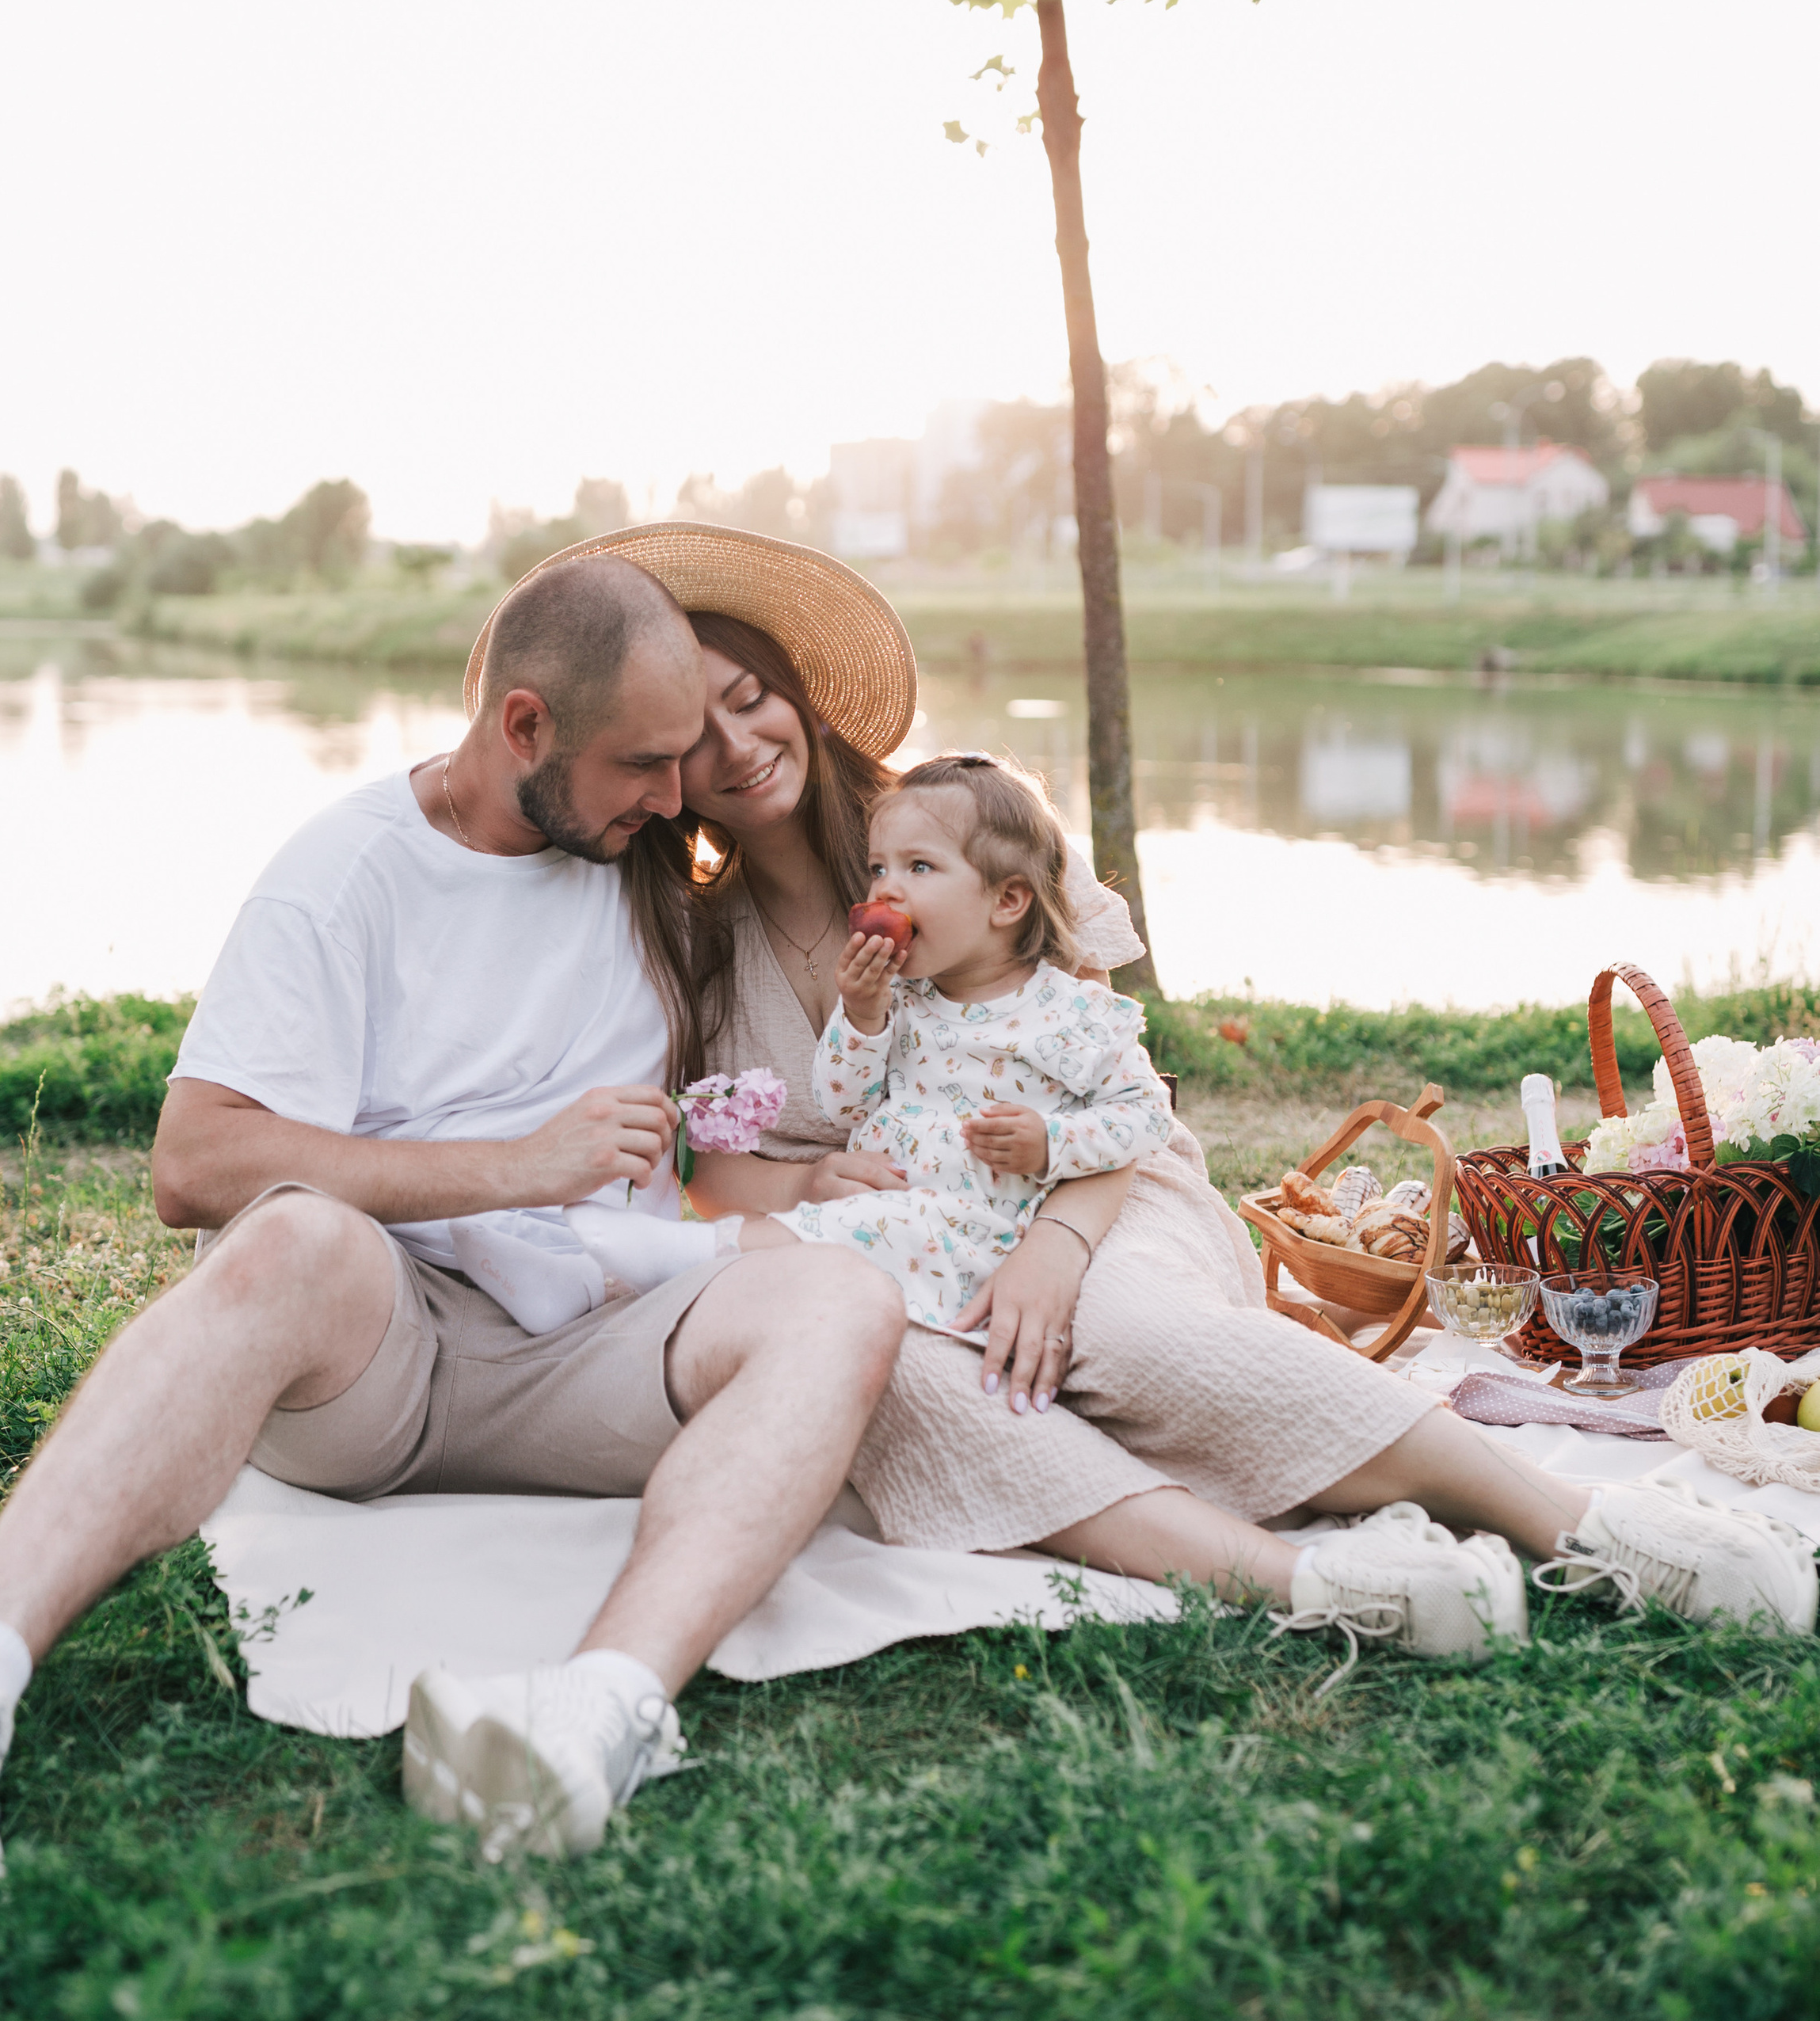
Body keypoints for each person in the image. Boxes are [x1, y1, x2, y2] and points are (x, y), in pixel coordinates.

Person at [0, 550, 908, 1922]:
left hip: (596, 1345)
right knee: (288, 1242)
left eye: (682, 758)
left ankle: (598, 1712)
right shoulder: (345, 876)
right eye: (642, 762)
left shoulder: (645, 866)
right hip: (379, 1358)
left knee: (842, 1303)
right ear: (524, 728)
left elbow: (868, 893)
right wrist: (510, 1167)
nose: (673, 794)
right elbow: (194, 1160)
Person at [566, 520, 1817, 1655]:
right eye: (694, 731)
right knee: (909, 1373)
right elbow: (698, 1162)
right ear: (662, 763)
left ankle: (1575, 1523)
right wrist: (805, 1172)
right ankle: (1304, 1586)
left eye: (751, 699)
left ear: (796, 693)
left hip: (1101, 1183)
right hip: (900, 1240)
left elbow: (1120, 1076)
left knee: (1118, 1333)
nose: (736, 745)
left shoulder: (955, 825)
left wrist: (1058, 1238)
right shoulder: (685, 931)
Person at [753, 755, 1170, 1320]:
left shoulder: (1072, 1010)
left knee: (816, 1246)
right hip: (888, 1218)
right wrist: (860, 1016)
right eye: (879, 869)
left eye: (918, 868)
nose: (886, 892)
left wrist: (1052, 1140)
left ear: (1007, 901)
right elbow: (842, 1107)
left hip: (978, 1235)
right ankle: (708, 1271)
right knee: (816, 1264)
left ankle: (696, 1259)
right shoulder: (896, 1001)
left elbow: (1147, 1115)